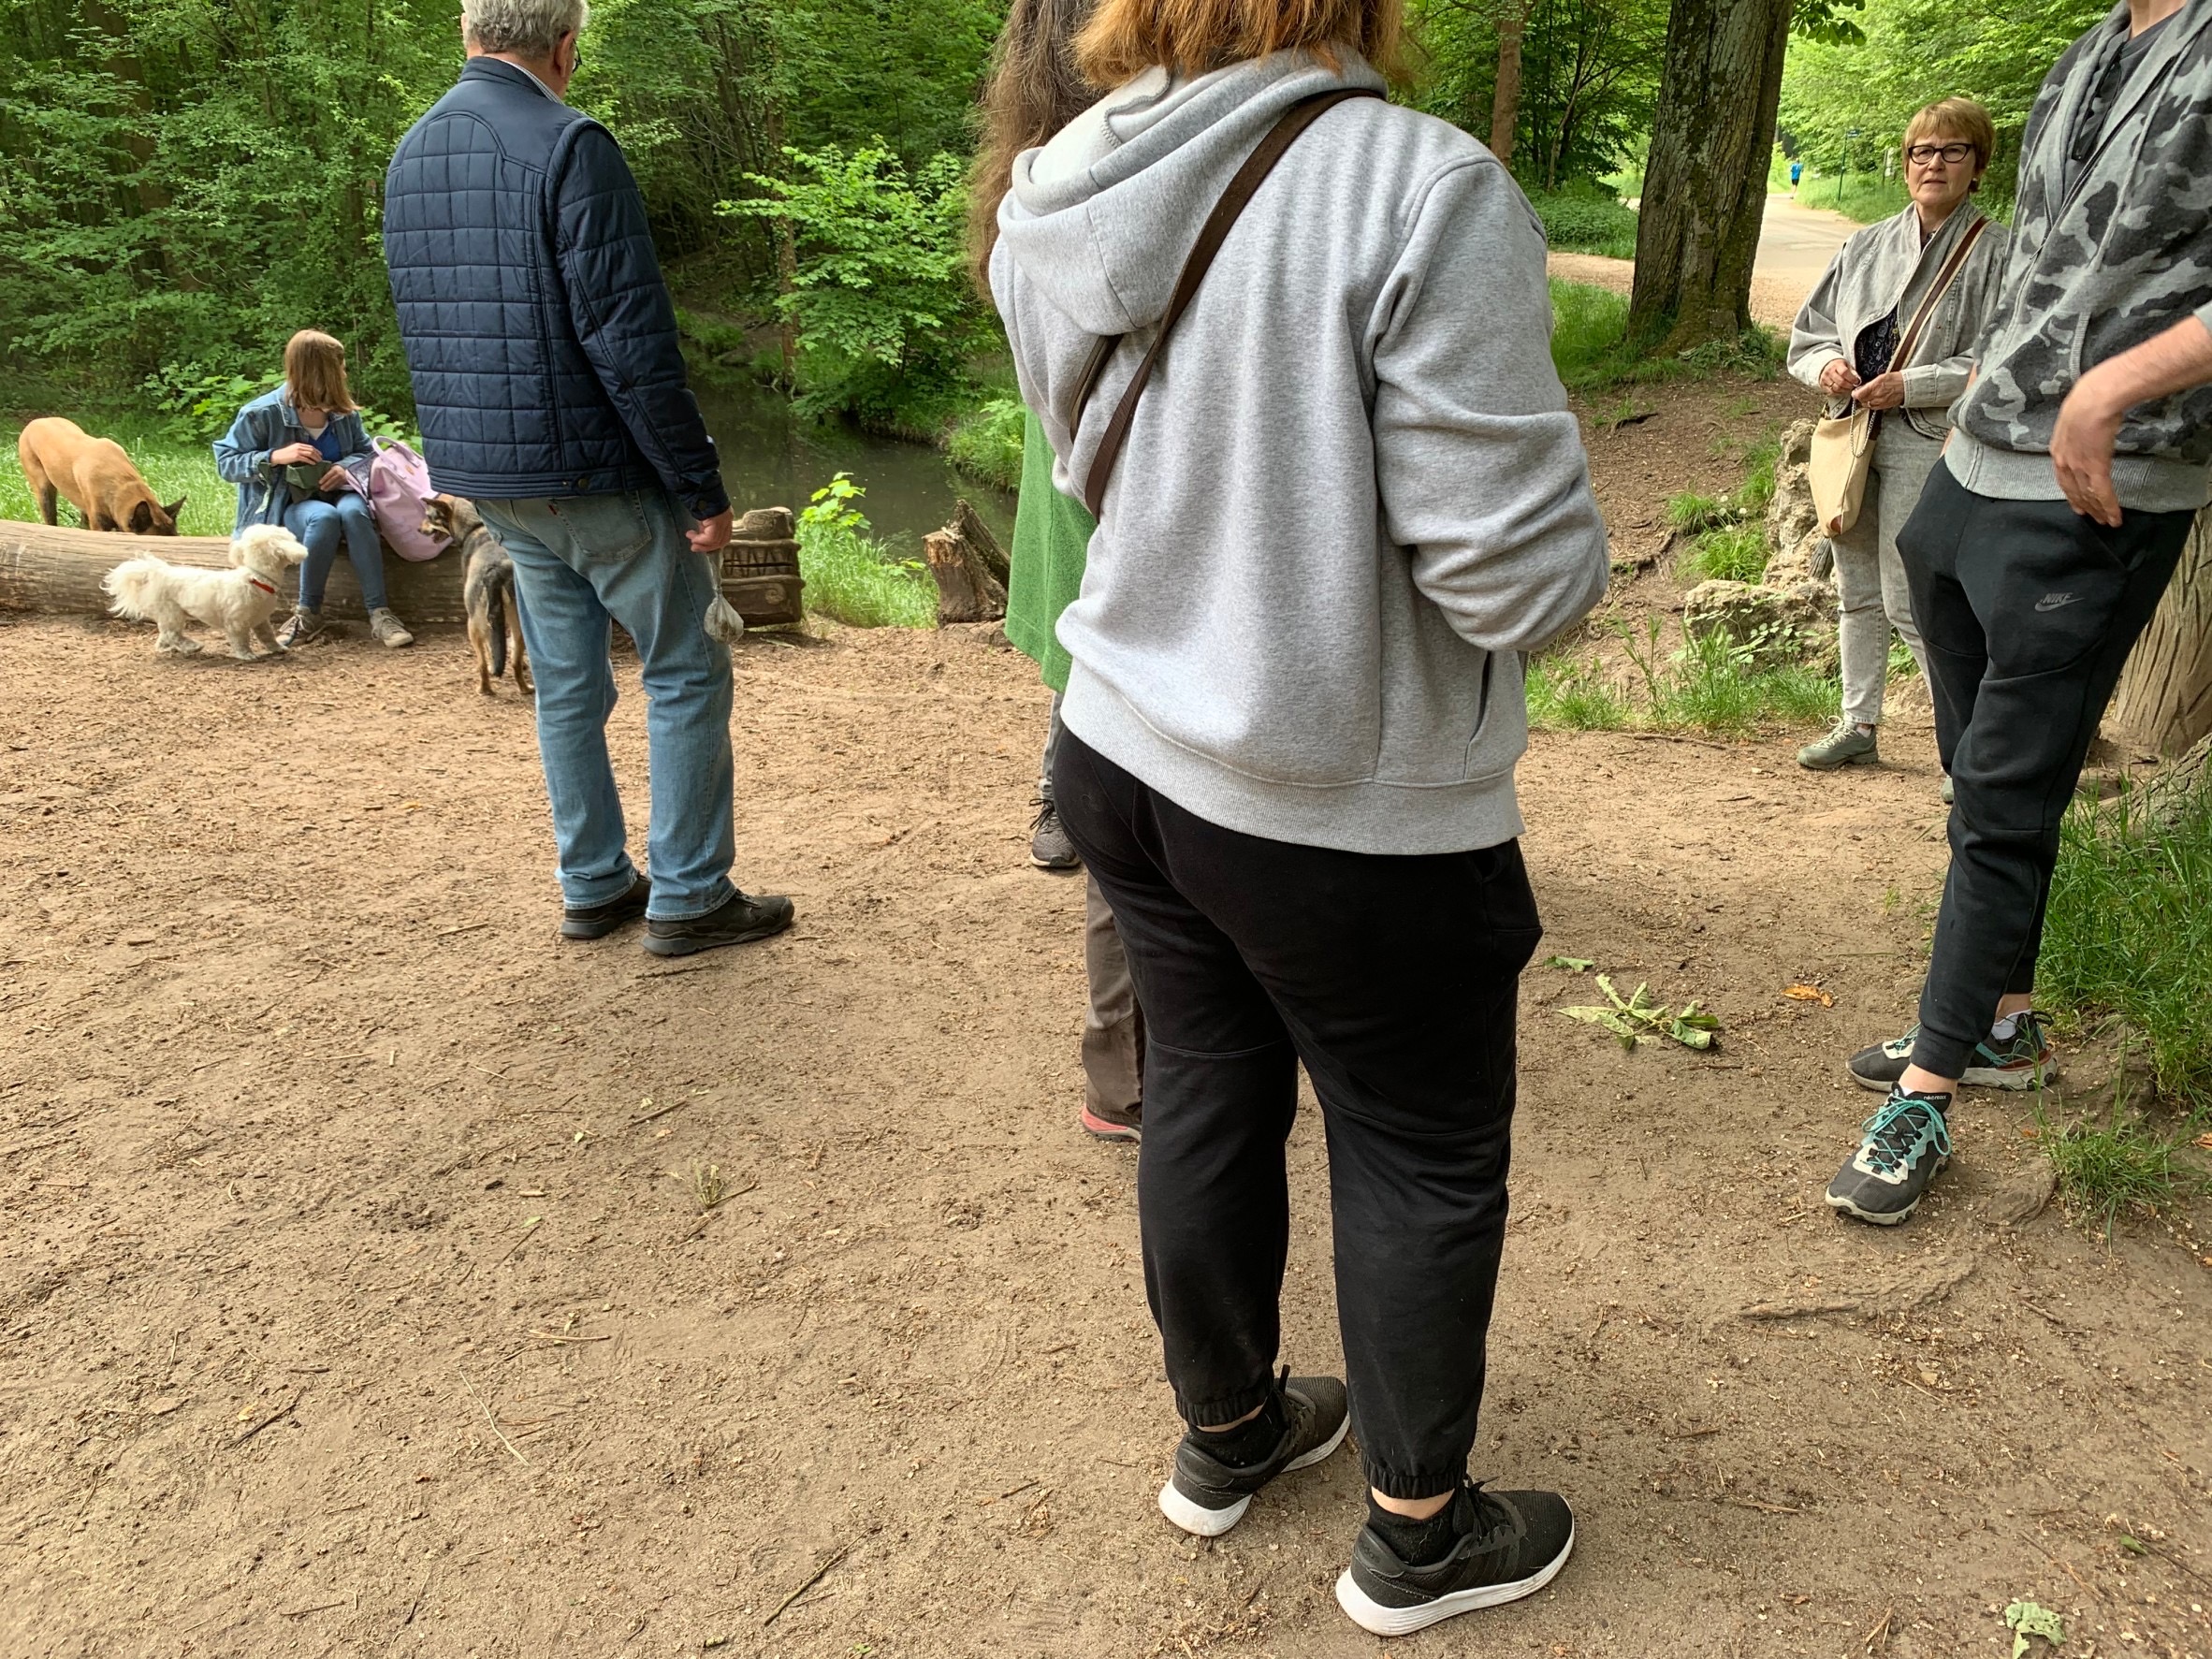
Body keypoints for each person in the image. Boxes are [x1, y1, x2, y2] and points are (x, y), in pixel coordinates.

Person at [989, 0, 1610, 1633]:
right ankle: (1415, 1534)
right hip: (1337, 788)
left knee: (1200, 1077)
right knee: (1414, 1142)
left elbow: (1076, 462)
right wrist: (1569, 544)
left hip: (1118, 742)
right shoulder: (1423, 188)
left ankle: (1228, 1434)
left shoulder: (1058, 176)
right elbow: (1513, 577)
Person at [1827, 0, 2212, 1226]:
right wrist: (1997, 380)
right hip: (1978, 461)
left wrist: (2109, 387)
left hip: (2113, 474)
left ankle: (1928, 1096)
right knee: (1978, 767)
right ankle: (2000, 1021)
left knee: (2000, 793)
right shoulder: (2093, 49)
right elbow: (2049, 248)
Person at [382, 0, 791, 957]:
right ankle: (689, 893)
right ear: (565, 44)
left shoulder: (411, 157)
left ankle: (595, 882)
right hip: (597, 473)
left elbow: (434, 324)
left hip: (493, 481)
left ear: (468, 33)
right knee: (684, 666)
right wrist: (699, 484)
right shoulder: (573, 145)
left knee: (567, 684)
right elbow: (630, 341)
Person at [970, 0, 1145, 1145]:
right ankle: (1134, 1074)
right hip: (1126, 528)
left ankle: (1124, 1077)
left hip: (1086, 517)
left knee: (1112, 750)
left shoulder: (1029, 189)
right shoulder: (1121, 182)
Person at [1787, 99, 2009, 776]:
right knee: (1856, 590)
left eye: (1951, 151)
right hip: (1851, 434)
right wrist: (1824, 363)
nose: (1933, 164)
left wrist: (1911, 385)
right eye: (1921, 151)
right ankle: (1859, 723)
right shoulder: (1866, 243)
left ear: (1978, 166)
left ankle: (1967, 753)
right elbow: (1810, 329)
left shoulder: (2000, 252)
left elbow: (1999, 357)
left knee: (1917, 599)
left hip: (1930, 439)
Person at [212, 330, 415, 649]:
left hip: (345, 497)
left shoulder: (344, 414)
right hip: (292, 506)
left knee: (352, 511)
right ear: (320, 371)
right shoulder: (261, 414)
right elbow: (226, 463)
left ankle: (380, 613)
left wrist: (344, 468)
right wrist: (276, 456)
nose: (345, 373)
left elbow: (367, 452)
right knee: (324, 517)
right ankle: (308, 613)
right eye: (340, 366)